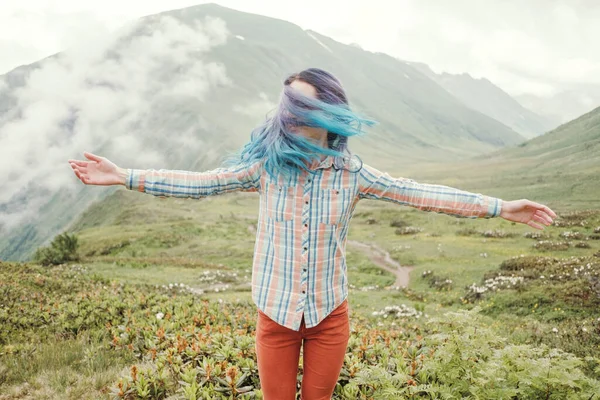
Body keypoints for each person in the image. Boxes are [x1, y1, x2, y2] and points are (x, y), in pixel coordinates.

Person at [68, 67, 556, 400]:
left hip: (329, 317)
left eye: (306, 103)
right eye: (290, 104)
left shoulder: (353, 173)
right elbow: (201, 183)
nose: (295, 112)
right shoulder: (265, 168)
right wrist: (125, 175)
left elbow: (420, 193)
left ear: (329, 110)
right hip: (275, 316)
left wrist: (500, 207)